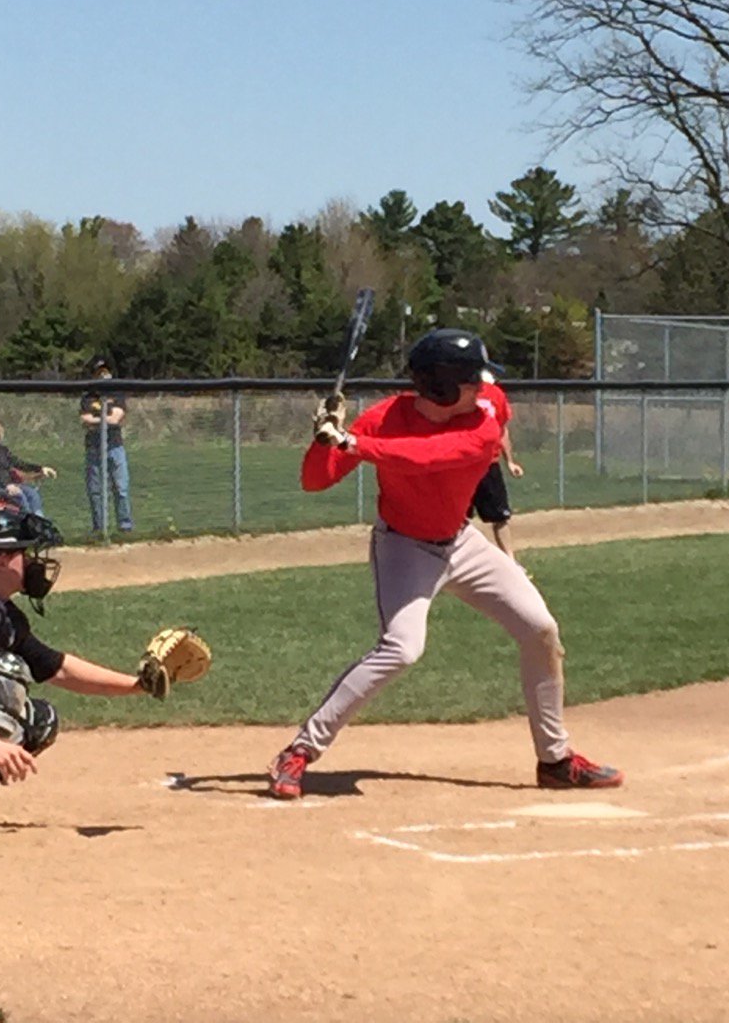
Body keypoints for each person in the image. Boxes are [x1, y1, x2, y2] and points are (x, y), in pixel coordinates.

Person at [267, 327, 624, 799]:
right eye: (470, 380)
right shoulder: (383, 419)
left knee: (541, 630)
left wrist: (352, 443)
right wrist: (324, 439)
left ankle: (555, 760)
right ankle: (299, 751)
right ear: (439, 387)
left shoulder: (486, 415)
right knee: (402, 648)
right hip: (405, 547)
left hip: (463, 543)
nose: (484, 388)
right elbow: (315, 481)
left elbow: (430, 457)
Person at [0, 505, 155, 785]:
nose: (33, 563)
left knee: (39, 722)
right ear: (3, 560)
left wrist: (139, 685)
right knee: (6, 671)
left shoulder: (5, 617)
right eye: (25, 554)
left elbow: (58, 668)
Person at [468, 373, 524, 558]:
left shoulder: (494, 394)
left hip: (486, 463)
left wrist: (509, 461)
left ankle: (510, 560)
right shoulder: (490, 393)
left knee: (499, 515)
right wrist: (509, 461)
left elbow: (501, 430)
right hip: (465, 464)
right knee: (460, 517)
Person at [79, 355, 133, 534]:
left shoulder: (117, 394)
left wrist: (97, 418)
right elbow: (85, 419)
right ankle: (99, 528)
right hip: (94, 446)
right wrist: (105, 418)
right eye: (99, 372)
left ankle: (125, 526)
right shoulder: (88, 396)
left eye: (105, 372)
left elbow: (116, 418)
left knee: (121, 487)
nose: (103, 375)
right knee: (95, 490)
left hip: (115, 445)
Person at [0, 420, 58, 516]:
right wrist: (7, 485)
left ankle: (39, 519)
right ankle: (27, 521)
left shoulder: (2, 450)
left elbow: (19, 464)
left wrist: (40, 469)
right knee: (19, 496)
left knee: (32, 494)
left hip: (7, 484)